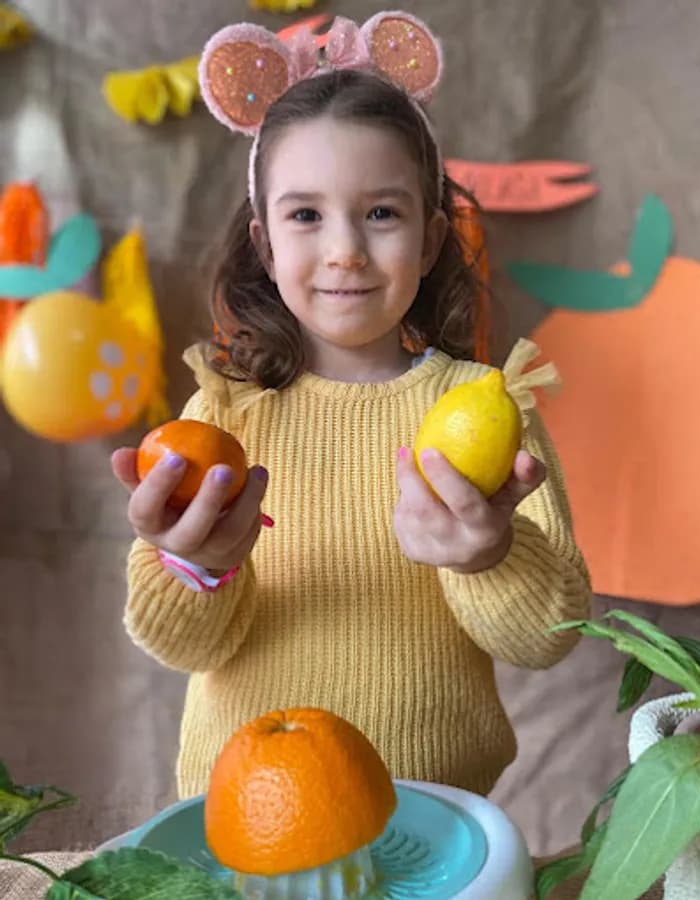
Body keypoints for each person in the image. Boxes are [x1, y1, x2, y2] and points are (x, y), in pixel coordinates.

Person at [111, 11, 592, 801]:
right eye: (306, 215)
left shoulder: (487, 406)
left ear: (432, 238)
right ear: (265, 246)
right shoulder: (221, 415)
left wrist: (486, 555)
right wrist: (193, 565)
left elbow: (550, 638)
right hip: (248, 810)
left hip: (433, 818)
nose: (344, 250)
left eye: (381, 213)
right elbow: (174, 643)